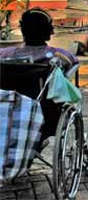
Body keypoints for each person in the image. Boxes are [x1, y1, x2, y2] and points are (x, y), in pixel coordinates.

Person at [0, 8, 79, 140]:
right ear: (49, 32)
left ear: (23, 30)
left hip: (6, 113)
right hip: (43, 117)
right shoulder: (58, 56)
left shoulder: (4, 54)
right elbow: (73, 65)